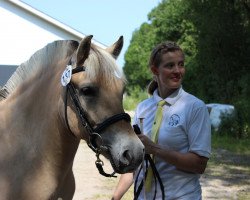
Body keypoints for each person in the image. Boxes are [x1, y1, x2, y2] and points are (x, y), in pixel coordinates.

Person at [112, 41, 211, 200]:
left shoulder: (195, 107)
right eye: (170, 66)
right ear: (154, 70)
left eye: (181, 64)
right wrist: (115, 197)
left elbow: (199, 164)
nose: (178, 71)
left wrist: (156, 149)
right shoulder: (142, 108)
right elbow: (136, 162)